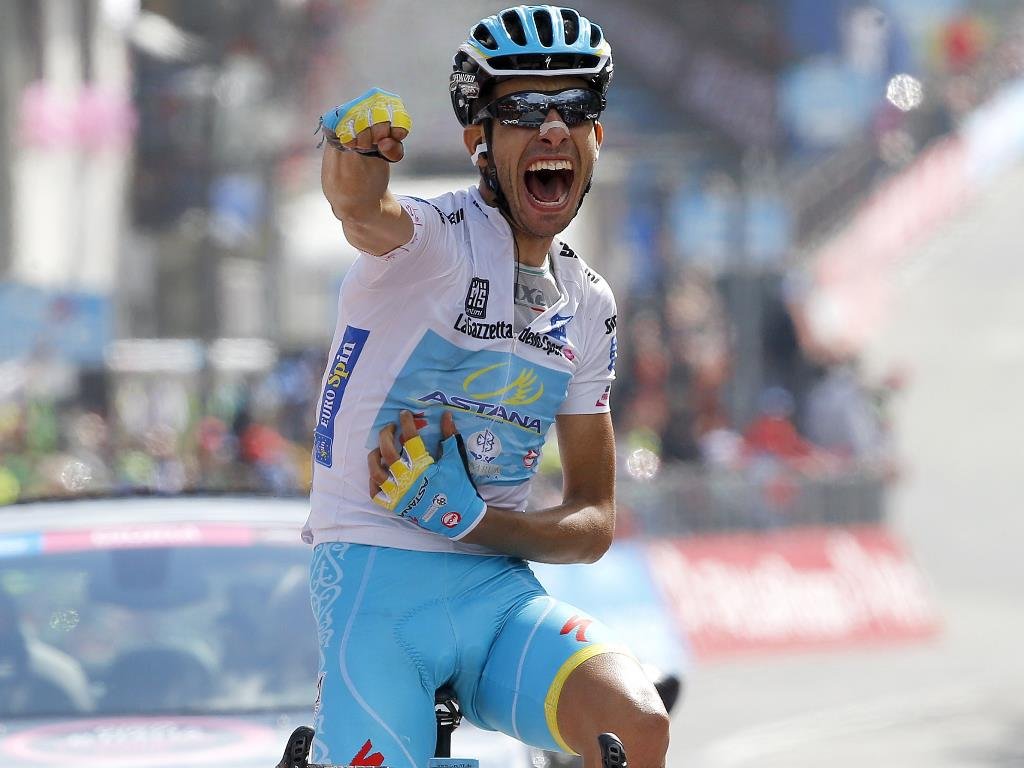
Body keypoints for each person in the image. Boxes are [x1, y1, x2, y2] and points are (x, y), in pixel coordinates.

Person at [302, 6, 670, 767]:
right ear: (478, 141)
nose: (553, 128)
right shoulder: (434, 243)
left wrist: (473, 522)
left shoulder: (588, 302)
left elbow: (593, 522)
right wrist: (347, 146)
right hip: (376, 587)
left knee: (637, 726)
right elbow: (360, 209)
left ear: (597, 137)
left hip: (496, 597)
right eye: (524, 110)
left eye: (575, 108)